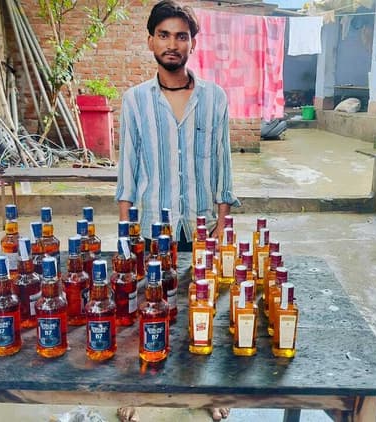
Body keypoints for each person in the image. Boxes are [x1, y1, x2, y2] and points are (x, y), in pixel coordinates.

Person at [115, 1, 238, 420]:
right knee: (146, 306)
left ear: (192, 44)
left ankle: (206, 389)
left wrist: (223, 222)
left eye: (181, 36)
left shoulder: (214, 98)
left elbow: (222, 164)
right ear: (151, 41)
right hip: (153, 228)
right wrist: (125, 231)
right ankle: (136, 388)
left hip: (202, 227)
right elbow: (128, 170)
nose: (172, 44)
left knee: (203, 308)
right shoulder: (135, 101)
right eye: (164, 35)